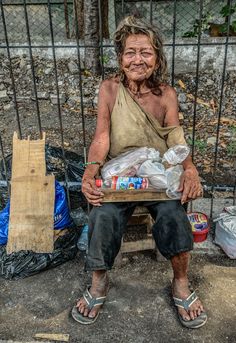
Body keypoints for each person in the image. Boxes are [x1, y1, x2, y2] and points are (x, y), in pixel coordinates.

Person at [71, 15, 207, 329]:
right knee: (102, 215)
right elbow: (102, 136)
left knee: (174, 215)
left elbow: (175, 137)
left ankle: (181, 282)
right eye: (130, 52)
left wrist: (189, 169)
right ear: (121, 58)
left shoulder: (165, 95)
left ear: (156, 58)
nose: (137, 59)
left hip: (157, 177)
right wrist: (91, 172)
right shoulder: (109, 89)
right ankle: (99, 280)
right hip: (120, 176)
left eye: (145, 52)